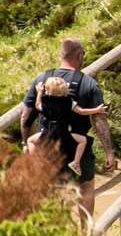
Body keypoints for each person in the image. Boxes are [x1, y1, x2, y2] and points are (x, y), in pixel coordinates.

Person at [23, 39, 109, 191]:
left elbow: (27, 114)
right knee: (86, 189)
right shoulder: (87, 84)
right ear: (80, 56)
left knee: (49, 193)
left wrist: (25, 143)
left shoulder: (41, 79)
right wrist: (109, 152)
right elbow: (97, 120)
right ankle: (76, 163)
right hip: (72, 142)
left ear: (60, 55)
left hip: (46, 144)